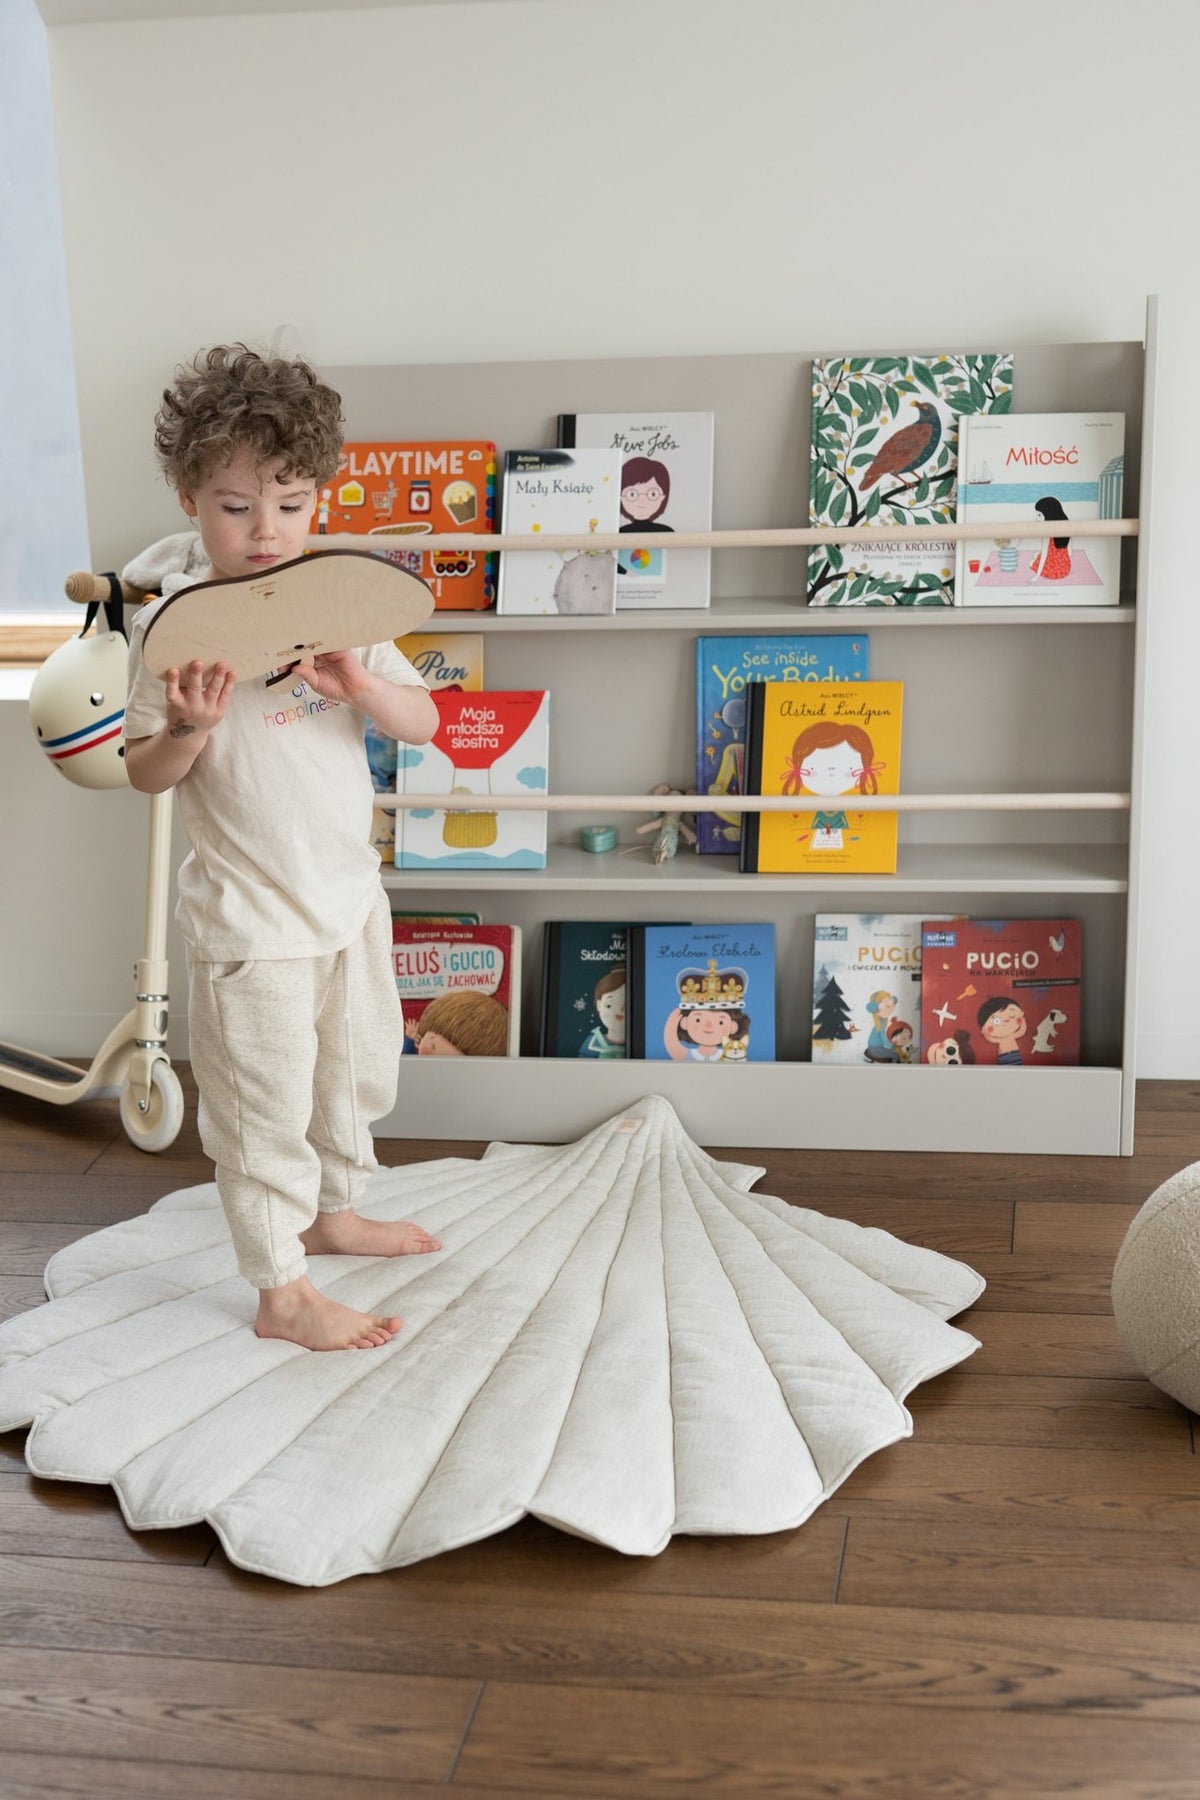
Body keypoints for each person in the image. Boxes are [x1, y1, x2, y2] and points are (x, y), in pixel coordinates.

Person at [124, 343, 442, 1353]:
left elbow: (425, 722)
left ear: (320, 499)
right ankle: (281, 1291)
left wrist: (364, 686)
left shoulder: (341, 603)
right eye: (236, 507)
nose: (266, 532)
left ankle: (334, 1213)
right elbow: (146, 774)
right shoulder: (172, 630)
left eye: (291, 505)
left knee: (352, 1079)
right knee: (261, 1108)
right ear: (190, 499)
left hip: (347, 900)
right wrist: (189, 728)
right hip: (250, 923)